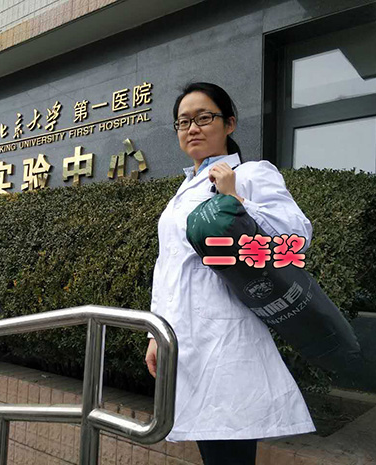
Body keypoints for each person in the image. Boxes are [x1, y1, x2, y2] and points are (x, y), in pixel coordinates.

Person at [145, 82, 315, 465]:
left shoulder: (251, 173)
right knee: (211, 449)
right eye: (183, 121)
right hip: (184, 339)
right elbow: (168, 266)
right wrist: (156, 332)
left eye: (204, 117)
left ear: (230, 123)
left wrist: (236, 198)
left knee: (229, 448)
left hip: (227, 339)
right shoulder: (183, 190)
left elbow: (297, 236)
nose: (193, 128)